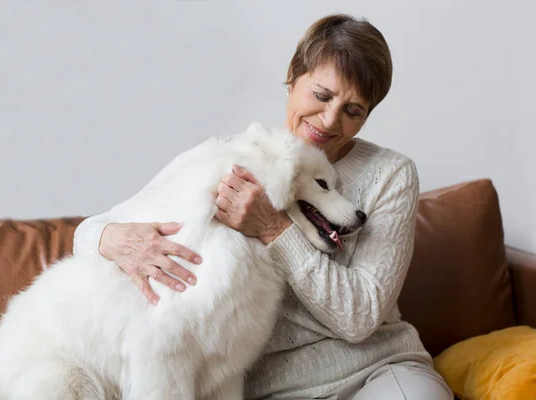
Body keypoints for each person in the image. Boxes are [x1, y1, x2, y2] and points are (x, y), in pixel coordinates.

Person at [73, 13, 454, 400]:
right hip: (267, 388)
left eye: (352, 111)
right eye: (321, 96)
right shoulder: (222, 156)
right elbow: (88, 232)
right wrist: (113, 238)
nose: (329, 120)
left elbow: (360, 318)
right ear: (293, 76)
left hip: (376, 371)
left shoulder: (391, 174)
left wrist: (274, 228)